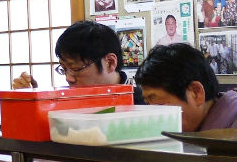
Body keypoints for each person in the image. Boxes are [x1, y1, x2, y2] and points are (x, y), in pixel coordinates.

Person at [135, 43, 237, 132]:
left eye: (159, 104)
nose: (153, 115)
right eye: (148, 104)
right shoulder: (190, 131)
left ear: (196, 93)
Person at [12, 20, 145, 104]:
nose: (68, 78)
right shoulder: (66, 99)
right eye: (63, 69)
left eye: (75, 68)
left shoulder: (142, 102)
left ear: (109, 62)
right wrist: (31, 100)